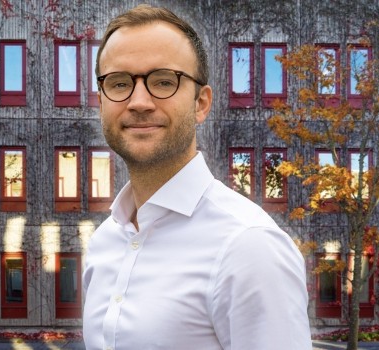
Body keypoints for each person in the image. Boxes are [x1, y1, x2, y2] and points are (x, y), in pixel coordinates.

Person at [82, 4, 311, 350]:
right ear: (101, 103)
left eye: (163, 81)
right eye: (119, 83)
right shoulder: (104, 243)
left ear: (201, 103)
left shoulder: (248, 247)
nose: (139, 101)